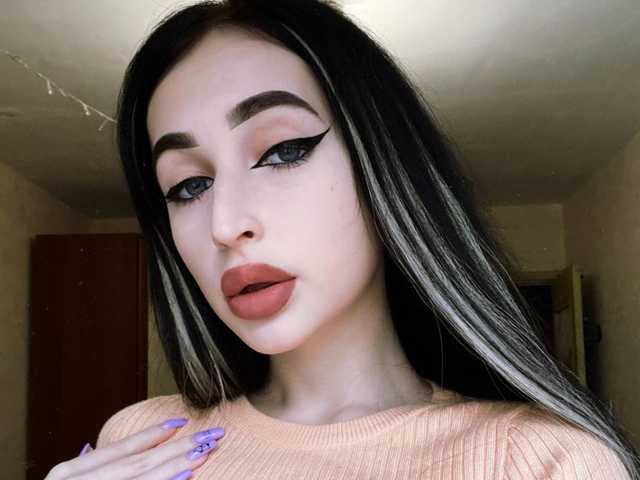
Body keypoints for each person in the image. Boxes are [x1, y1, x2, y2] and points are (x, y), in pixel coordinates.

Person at [45, 0, 639, 479]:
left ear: (385, 168)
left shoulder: (540, 461)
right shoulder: (143, 441)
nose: (225, 225)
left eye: (283, 151)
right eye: (188, 186)